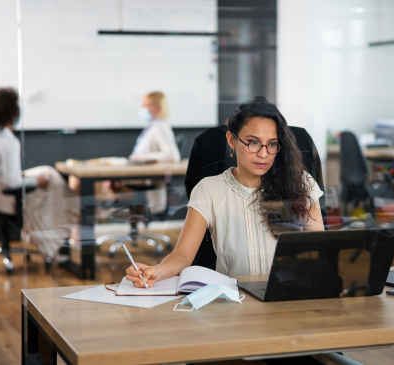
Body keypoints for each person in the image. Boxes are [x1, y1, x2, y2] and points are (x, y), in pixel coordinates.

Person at [125, 96, 325, 286]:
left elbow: (319, 248)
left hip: (287, 294)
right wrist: (157, 271)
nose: (263, 154)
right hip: (234, 299)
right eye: (253, 142)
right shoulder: (209, 189)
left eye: (272, 144)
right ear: (231, 140)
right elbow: (183, 255)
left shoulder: (300, 183)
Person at [0, 87, 79, 260]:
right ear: (9, 111)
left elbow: (1, 172)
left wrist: (29, 177)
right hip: (5, 197)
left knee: (49, 173)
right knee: (52, 186)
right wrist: (36, 181)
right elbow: (12, 183)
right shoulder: (7, 141)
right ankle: (52, 244)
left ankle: (54, 240)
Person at [129, 91, 181, 162]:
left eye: (145, 105)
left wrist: (144, 157)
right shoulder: (151, 126)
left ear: (157, 108)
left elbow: (172, 155)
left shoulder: (160, 127)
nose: (142, 108)